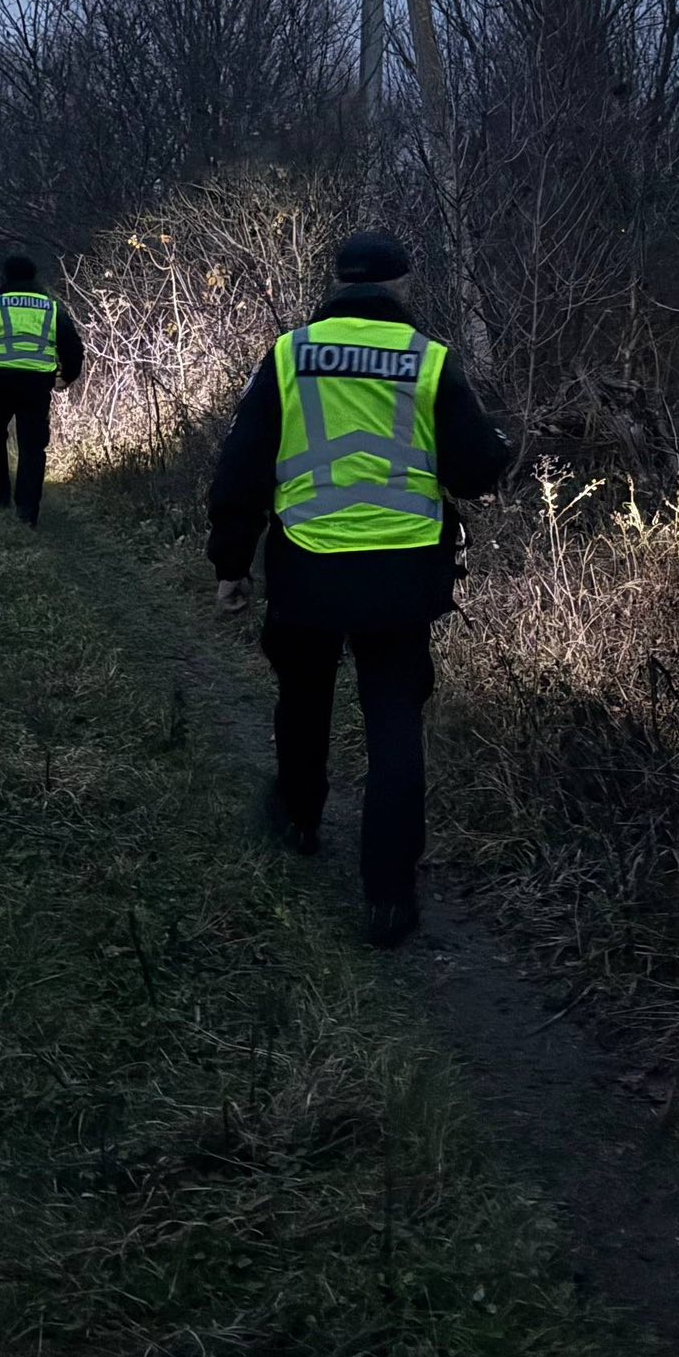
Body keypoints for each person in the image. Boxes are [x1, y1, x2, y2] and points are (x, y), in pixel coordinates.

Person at [208, 228, 511, 946]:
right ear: (400, 286)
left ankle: (301, 818)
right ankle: (388, 897)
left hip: (307, 565)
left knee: (303, 699)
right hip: (402, 574)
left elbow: (241, 468)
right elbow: (478, 470)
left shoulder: (288, 354)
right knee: (395, 727)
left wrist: (230, 564)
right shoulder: (430, 360)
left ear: (336, 283)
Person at [0, 254, 84, 529]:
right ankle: (26, 513)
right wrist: (66, 377)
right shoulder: (52, 308)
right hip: (36, 385)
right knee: (33, 448)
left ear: (6, 277)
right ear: (34, 277)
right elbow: (73, 349)